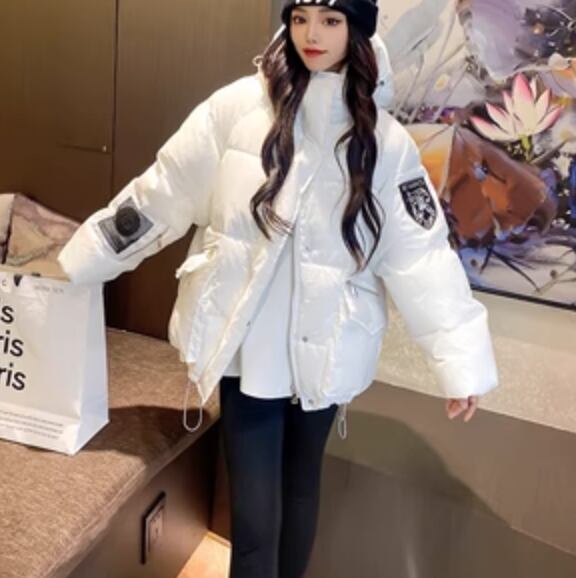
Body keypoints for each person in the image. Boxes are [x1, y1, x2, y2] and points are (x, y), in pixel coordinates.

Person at [58, 1, 499, 576]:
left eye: (331, 21)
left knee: (301, 492)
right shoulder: (236, 108)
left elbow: (422, 257)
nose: (311, 34)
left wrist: (461, 360)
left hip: (327, 347)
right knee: (255, 514)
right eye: (300, 18)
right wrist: (77, 264)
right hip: (248, 348)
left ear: (357, 30)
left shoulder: (385, 142)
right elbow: (162, 193)